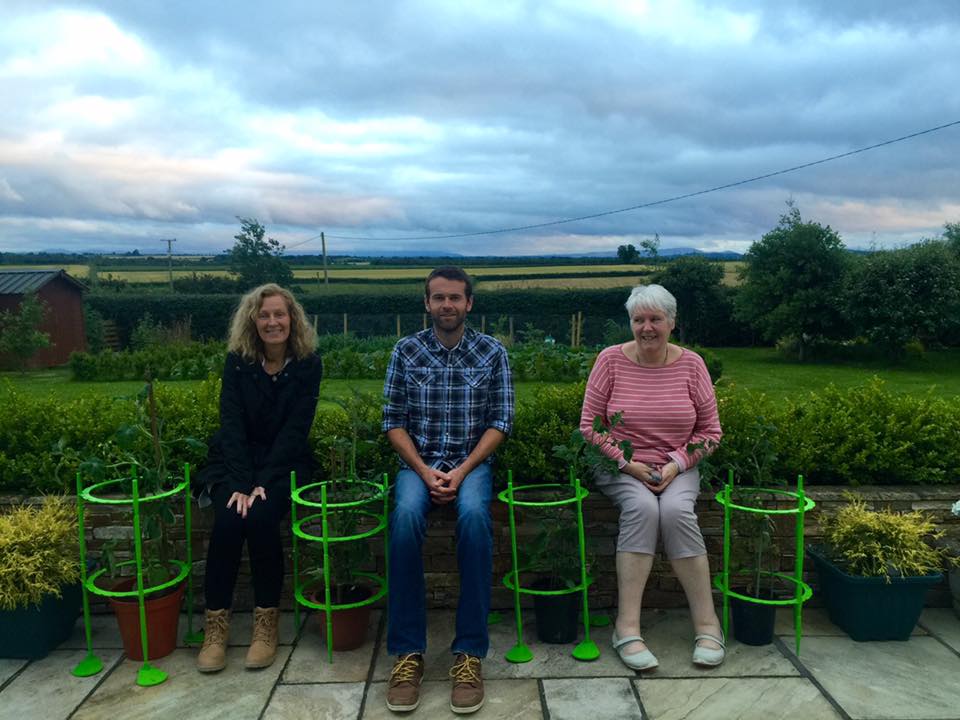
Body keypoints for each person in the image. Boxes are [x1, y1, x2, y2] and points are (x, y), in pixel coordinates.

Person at [381, 266, 514, 714]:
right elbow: (392, 421)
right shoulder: (406, 351)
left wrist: (461, 472)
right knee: (402, 521)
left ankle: (469, 653)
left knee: (476, 519)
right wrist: (422, 469)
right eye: (438, 298)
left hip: (472, 464)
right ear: (427, 303)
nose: (447, 305)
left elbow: (501, 422)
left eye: (455, 298)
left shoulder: (492, 352)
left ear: (469, 303)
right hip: (417, 464)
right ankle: (407, 653)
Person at [579, 283, 724, 671]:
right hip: (620, 465)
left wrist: (677, 464)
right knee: (642, 507)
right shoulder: (609, 360)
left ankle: (708, 625)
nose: (647, 327)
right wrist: (628, 464)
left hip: (678, 466)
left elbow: (710, 432)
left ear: (671, 323)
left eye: (655, 319)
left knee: (677, 511)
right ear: (630, 322)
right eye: (639, 319)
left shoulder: (692, 365)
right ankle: (626, 628)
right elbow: (590, 426)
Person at [195, 283, 322, 673]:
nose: (272, 322)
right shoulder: (237, 361)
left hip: (284, 463)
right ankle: (215, 628)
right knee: (230, 521)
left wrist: (262, 482)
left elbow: (296, 430)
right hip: (234, 463)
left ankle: (266, 626)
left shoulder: (308, 364)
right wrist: (241, 482)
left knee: (263, 518)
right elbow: (230, 424)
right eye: (264, 315)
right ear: (253, 320)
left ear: (292, 319)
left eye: (279, 314)